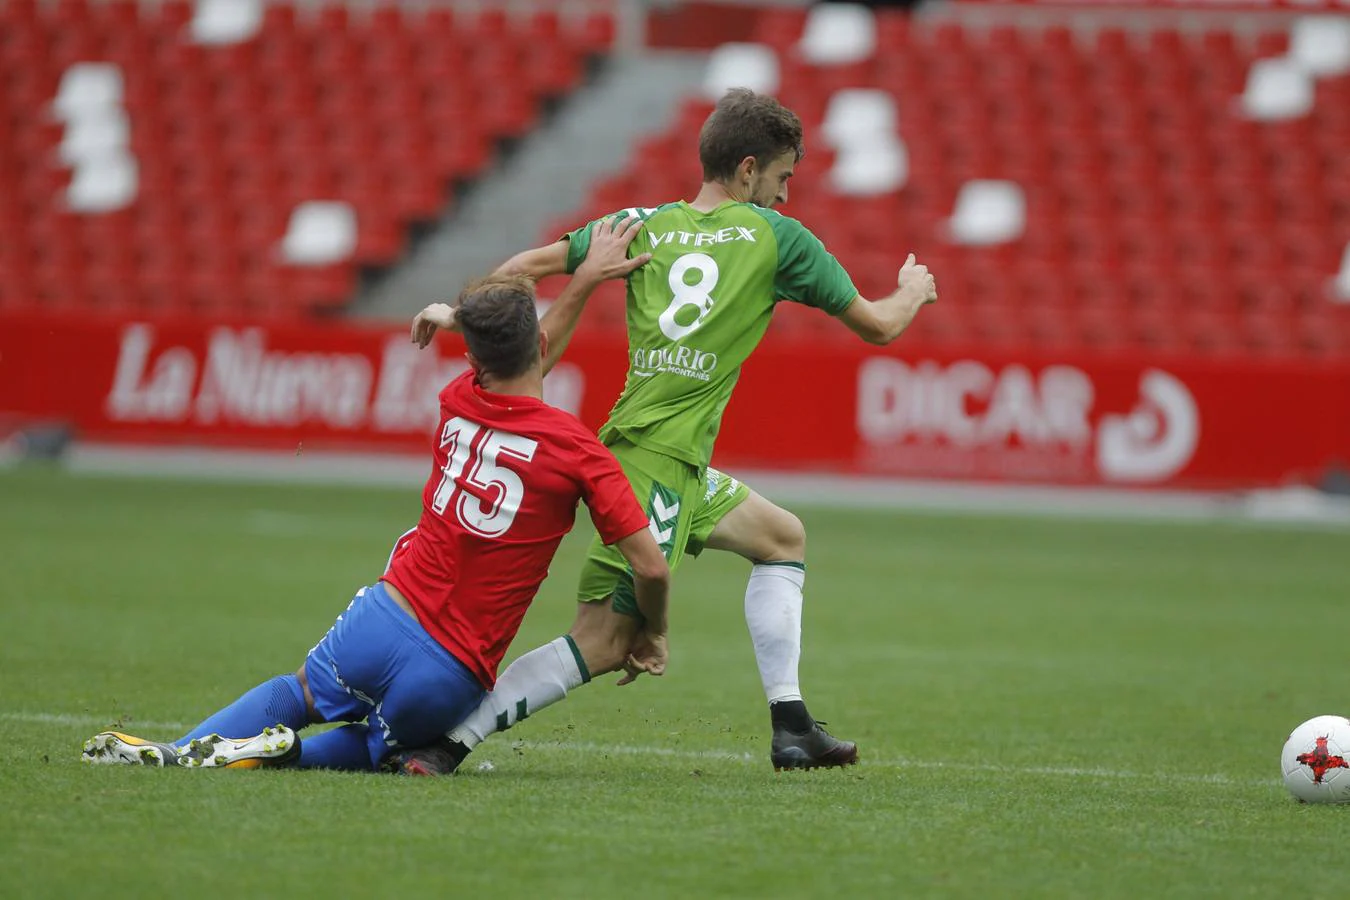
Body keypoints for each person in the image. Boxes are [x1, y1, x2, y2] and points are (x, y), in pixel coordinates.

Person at [392, 87, 939, 775]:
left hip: (649, 451)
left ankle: (792, 726)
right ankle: (444, 748)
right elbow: (880, 325)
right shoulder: (779, 240)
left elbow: (518, 270)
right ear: (747, 170)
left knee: (782, 538)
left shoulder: (639, 223)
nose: (785, 196)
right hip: (659, 461)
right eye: (782, 178)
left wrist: (460, 316)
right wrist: (914, 291)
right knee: (604, 640)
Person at [81, 219, 672, 772]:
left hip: (385, 617)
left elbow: (520, 352)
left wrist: (458, 316)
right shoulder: (577, 450)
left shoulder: (457, 397)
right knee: (376, 746)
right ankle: (276, 756)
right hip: (451, 668)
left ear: (472, 357)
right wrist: (654, 628)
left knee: (300, 692)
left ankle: (185, 751)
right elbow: (652, 569)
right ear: (536, 348)